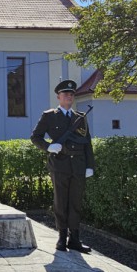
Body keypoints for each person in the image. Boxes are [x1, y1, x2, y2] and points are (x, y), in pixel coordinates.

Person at [30, 79, 95, 253]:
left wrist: (90, 165)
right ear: (58, 97)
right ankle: (61, 237)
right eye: (65, 94)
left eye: (71, 94)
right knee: (60, 201)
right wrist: (48, 146)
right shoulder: (49, 115)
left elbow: (87, 142)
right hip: (59, 165)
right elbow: (35, 137)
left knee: (75, 201)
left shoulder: (80, 118)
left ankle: (74, 239)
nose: (69, 97)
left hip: (78, 165)